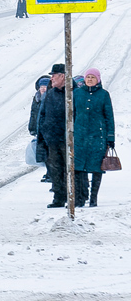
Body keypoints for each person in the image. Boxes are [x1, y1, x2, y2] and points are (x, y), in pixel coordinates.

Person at [73, 67, 115, 207]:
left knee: (96, 167)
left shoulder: (103, 95)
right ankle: (79, 198)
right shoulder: (77, 94)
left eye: (93, 77)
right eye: (88, 77)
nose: (90, 79)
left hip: (98, 136)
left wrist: (110, 137)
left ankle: (93, 198)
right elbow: (72, 114)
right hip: (79, 136)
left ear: (98, 79)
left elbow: (109, 117)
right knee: (78, 167)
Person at [38, 65, 70, 208]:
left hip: (67, 139)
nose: (51, 78)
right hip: (52, 139)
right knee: (55, 170)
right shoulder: (50, 94)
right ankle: (59, 198)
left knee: (70, 170)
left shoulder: (72, 93)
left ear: (62, 76)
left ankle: (74, 198)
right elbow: (42, 114)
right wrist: (44, 133)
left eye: (54, 75)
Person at [30, 76, 51, 180]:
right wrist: (32, 127)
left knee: (50, 154)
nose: (43, 89)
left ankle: (51, 174)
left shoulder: (50, 98)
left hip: (48, 130)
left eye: (45, 87)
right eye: (41, 87)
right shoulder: (37, 98)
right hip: (40, 130)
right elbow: (33, 113)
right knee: (43, 154)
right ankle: (49, 172)